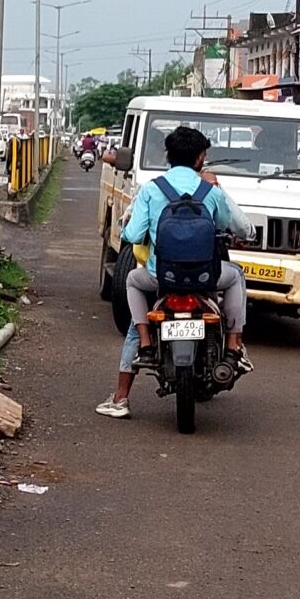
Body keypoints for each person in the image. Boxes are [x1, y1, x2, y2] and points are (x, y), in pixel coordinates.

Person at [96, 123, 254, 419]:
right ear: (200, 158)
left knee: (132, 283)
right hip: (206, 278)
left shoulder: (152, 189)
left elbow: (131, 235)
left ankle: (123, 391)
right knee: (236, 277)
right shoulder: (210, 189)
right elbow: (241, 227)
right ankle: (234, 348)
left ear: (168, 156)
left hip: (161, 278)